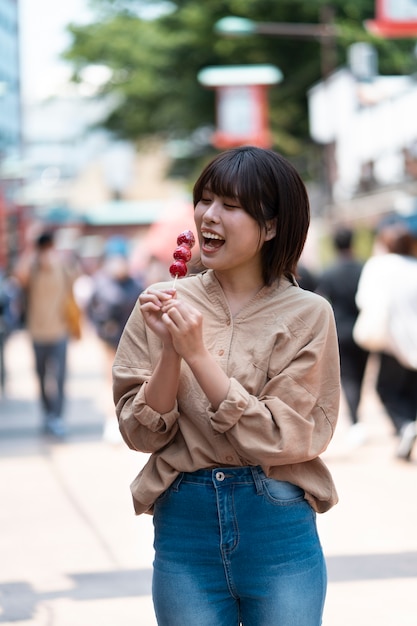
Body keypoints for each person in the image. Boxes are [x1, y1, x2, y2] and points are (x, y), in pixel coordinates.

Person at [113, 146, 341, 626]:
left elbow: (287, 437)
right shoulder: (161, 300)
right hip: (184, 522)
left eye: (231, 206)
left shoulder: (308, 314)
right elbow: (141, 434)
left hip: (277, 523)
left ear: (272, 226)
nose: (208, 216)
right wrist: (171, 352)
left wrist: (197, 353)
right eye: (206, 199)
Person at [355, 222, 417, 461]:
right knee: (411, 392)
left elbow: (364, 300)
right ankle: (407, 428)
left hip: (391, 341)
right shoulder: (414, 266)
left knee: (386, 389)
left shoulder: (377, 266)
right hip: (413, 342)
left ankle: (404, 426)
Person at [13, 230, 78, 438]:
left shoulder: (62, 267)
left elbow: (75, 278)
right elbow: (18, 277)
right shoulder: (31, 269)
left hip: (60, 331)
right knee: (41, 376)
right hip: (37, 332)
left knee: (59, 377)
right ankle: (47, 414)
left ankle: (57, 417)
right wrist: (30, 251)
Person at [316, 227, 369, 447]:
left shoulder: (328, 273)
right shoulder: (364, 268)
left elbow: (322, 301)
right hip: (363, 330)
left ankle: (356, 420)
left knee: (348, 378)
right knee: (361, 375)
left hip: (340, 332)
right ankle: (358, 417)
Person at [87, 252, 143, 442]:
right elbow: (90, 309)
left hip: (132, 343)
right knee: (110, 382)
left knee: (132, 382)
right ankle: (111, 421)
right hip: (110, 342)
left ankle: (130, 421)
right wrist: (100, 329)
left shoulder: (135, 285)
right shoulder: (102, 283)